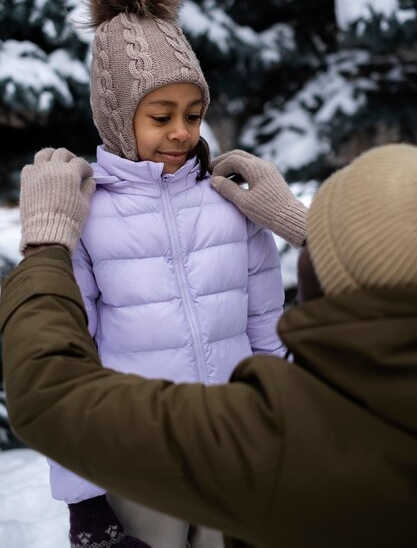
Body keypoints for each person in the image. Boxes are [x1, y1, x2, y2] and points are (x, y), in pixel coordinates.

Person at [21, 0, 305, 548]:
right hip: (139, 467)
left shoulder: (232, 203)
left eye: (194, 114)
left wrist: (287, 434)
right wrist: (86, 497)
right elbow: (73, 366)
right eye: (160, 115)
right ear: (117, 117)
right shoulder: (85, 215)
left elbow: (266, 328)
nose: (181, 131)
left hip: (240, 453)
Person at [1, 143, 417, 548]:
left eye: (321, 243)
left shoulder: (284, 439)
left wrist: (46, 249)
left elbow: (50, 393)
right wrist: (309, 229)